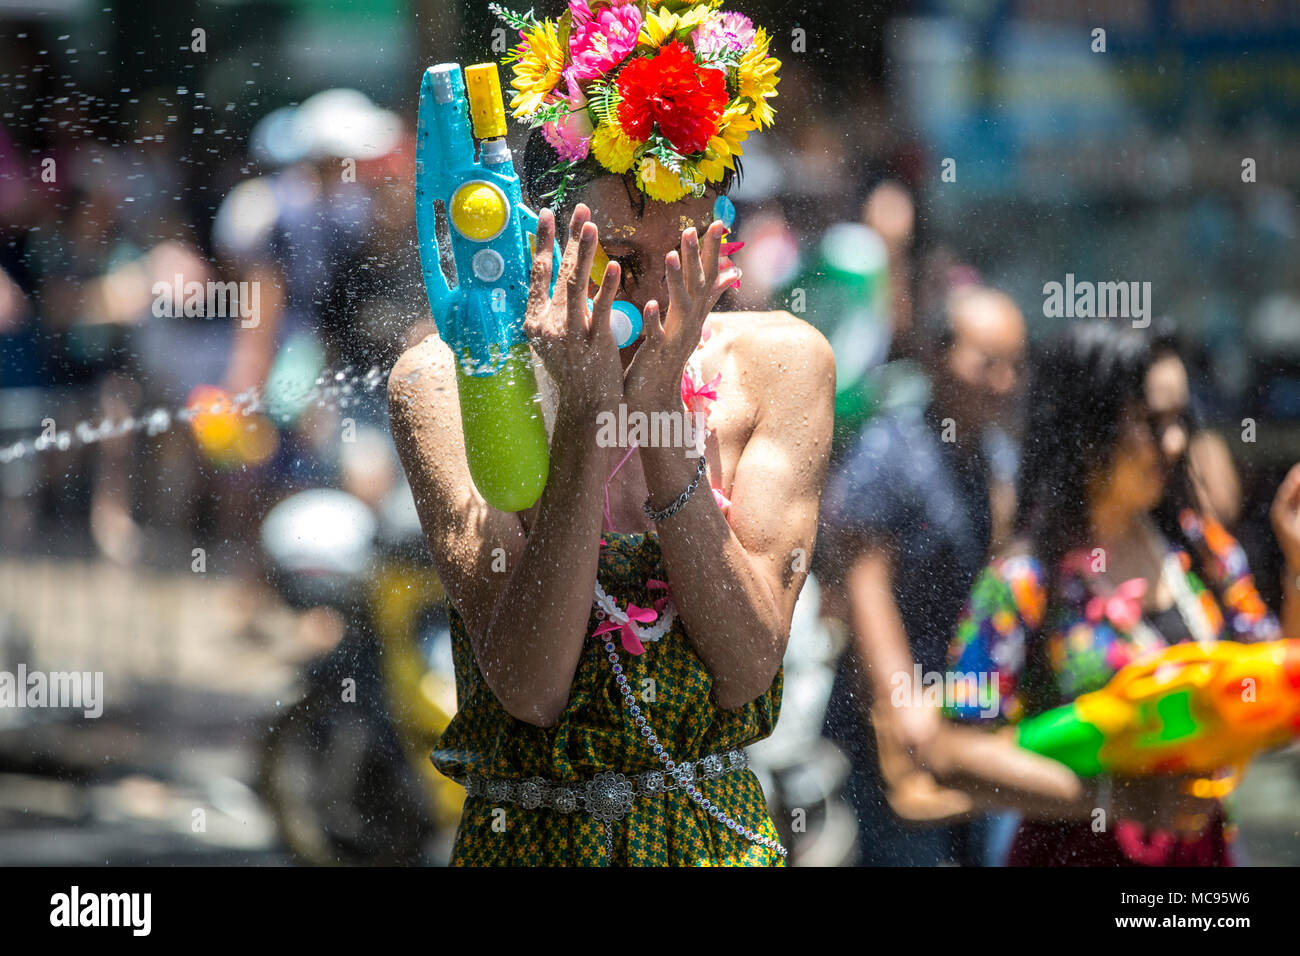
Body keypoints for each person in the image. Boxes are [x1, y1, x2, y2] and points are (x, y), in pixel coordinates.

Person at [388, 2, 834, 866]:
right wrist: (593, 418)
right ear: (536, 242)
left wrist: (660, 410)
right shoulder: (451, 382)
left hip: (713, 836)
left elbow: (746, 668)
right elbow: (530, 688)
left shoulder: (780, 364)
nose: (660, 304)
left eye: (685, 258)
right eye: (623, 263)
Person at [931, 319, 1300, 866]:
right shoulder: (1025, 582)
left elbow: (1275, 699)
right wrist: (1113, 800)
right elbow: (953, 751)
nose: (1175, 444)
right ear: (1089, 426)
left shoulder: (1201, 553)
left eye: (1180, 421)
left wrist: (1296, 565)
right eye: (1151, 423)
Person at [818, 284, 1027, 864]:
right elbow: (866, 583)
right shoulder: (892, 450)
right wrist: (902, 699)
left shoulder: (997, 458)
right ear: (937, 356)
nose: (1004, 381)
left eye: (1015, 364)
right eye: (988, 363)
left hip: (971, 711)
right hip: (897, 717)